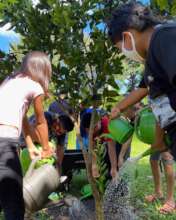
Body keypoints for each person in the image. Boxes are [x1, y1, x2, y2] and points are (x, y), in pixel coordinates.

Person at [107, 1, 176, 213]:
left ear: (127, 37)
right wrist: (118, 108)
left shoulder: (165, 38)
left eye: (120, 49)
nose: (124, 53)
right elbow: (144, 90)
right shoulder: (151, 60)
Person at [0, 51, 53, 220]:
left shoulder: (9, 81)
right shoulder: (35, 86)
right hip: (3, 143)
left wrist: (30, 146)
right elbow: (41, 121)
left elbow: (22, 118)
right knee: (14, 205)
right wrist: (45, 147)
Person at [81, 111, 133, 179]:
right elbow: (92, 147)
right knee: (108, 164)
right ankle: (112, 178)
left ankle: (124, 183)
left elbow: (111, 147)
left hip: (125, 137)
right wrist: (94, 164)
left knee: (121, 164)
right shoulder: (89, 129)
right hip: (111, 141)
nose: (93, 131)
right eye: (90, 130)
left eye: (95, 127)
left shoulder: (106, 124)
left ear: (99, 120)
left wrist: (117, 162)